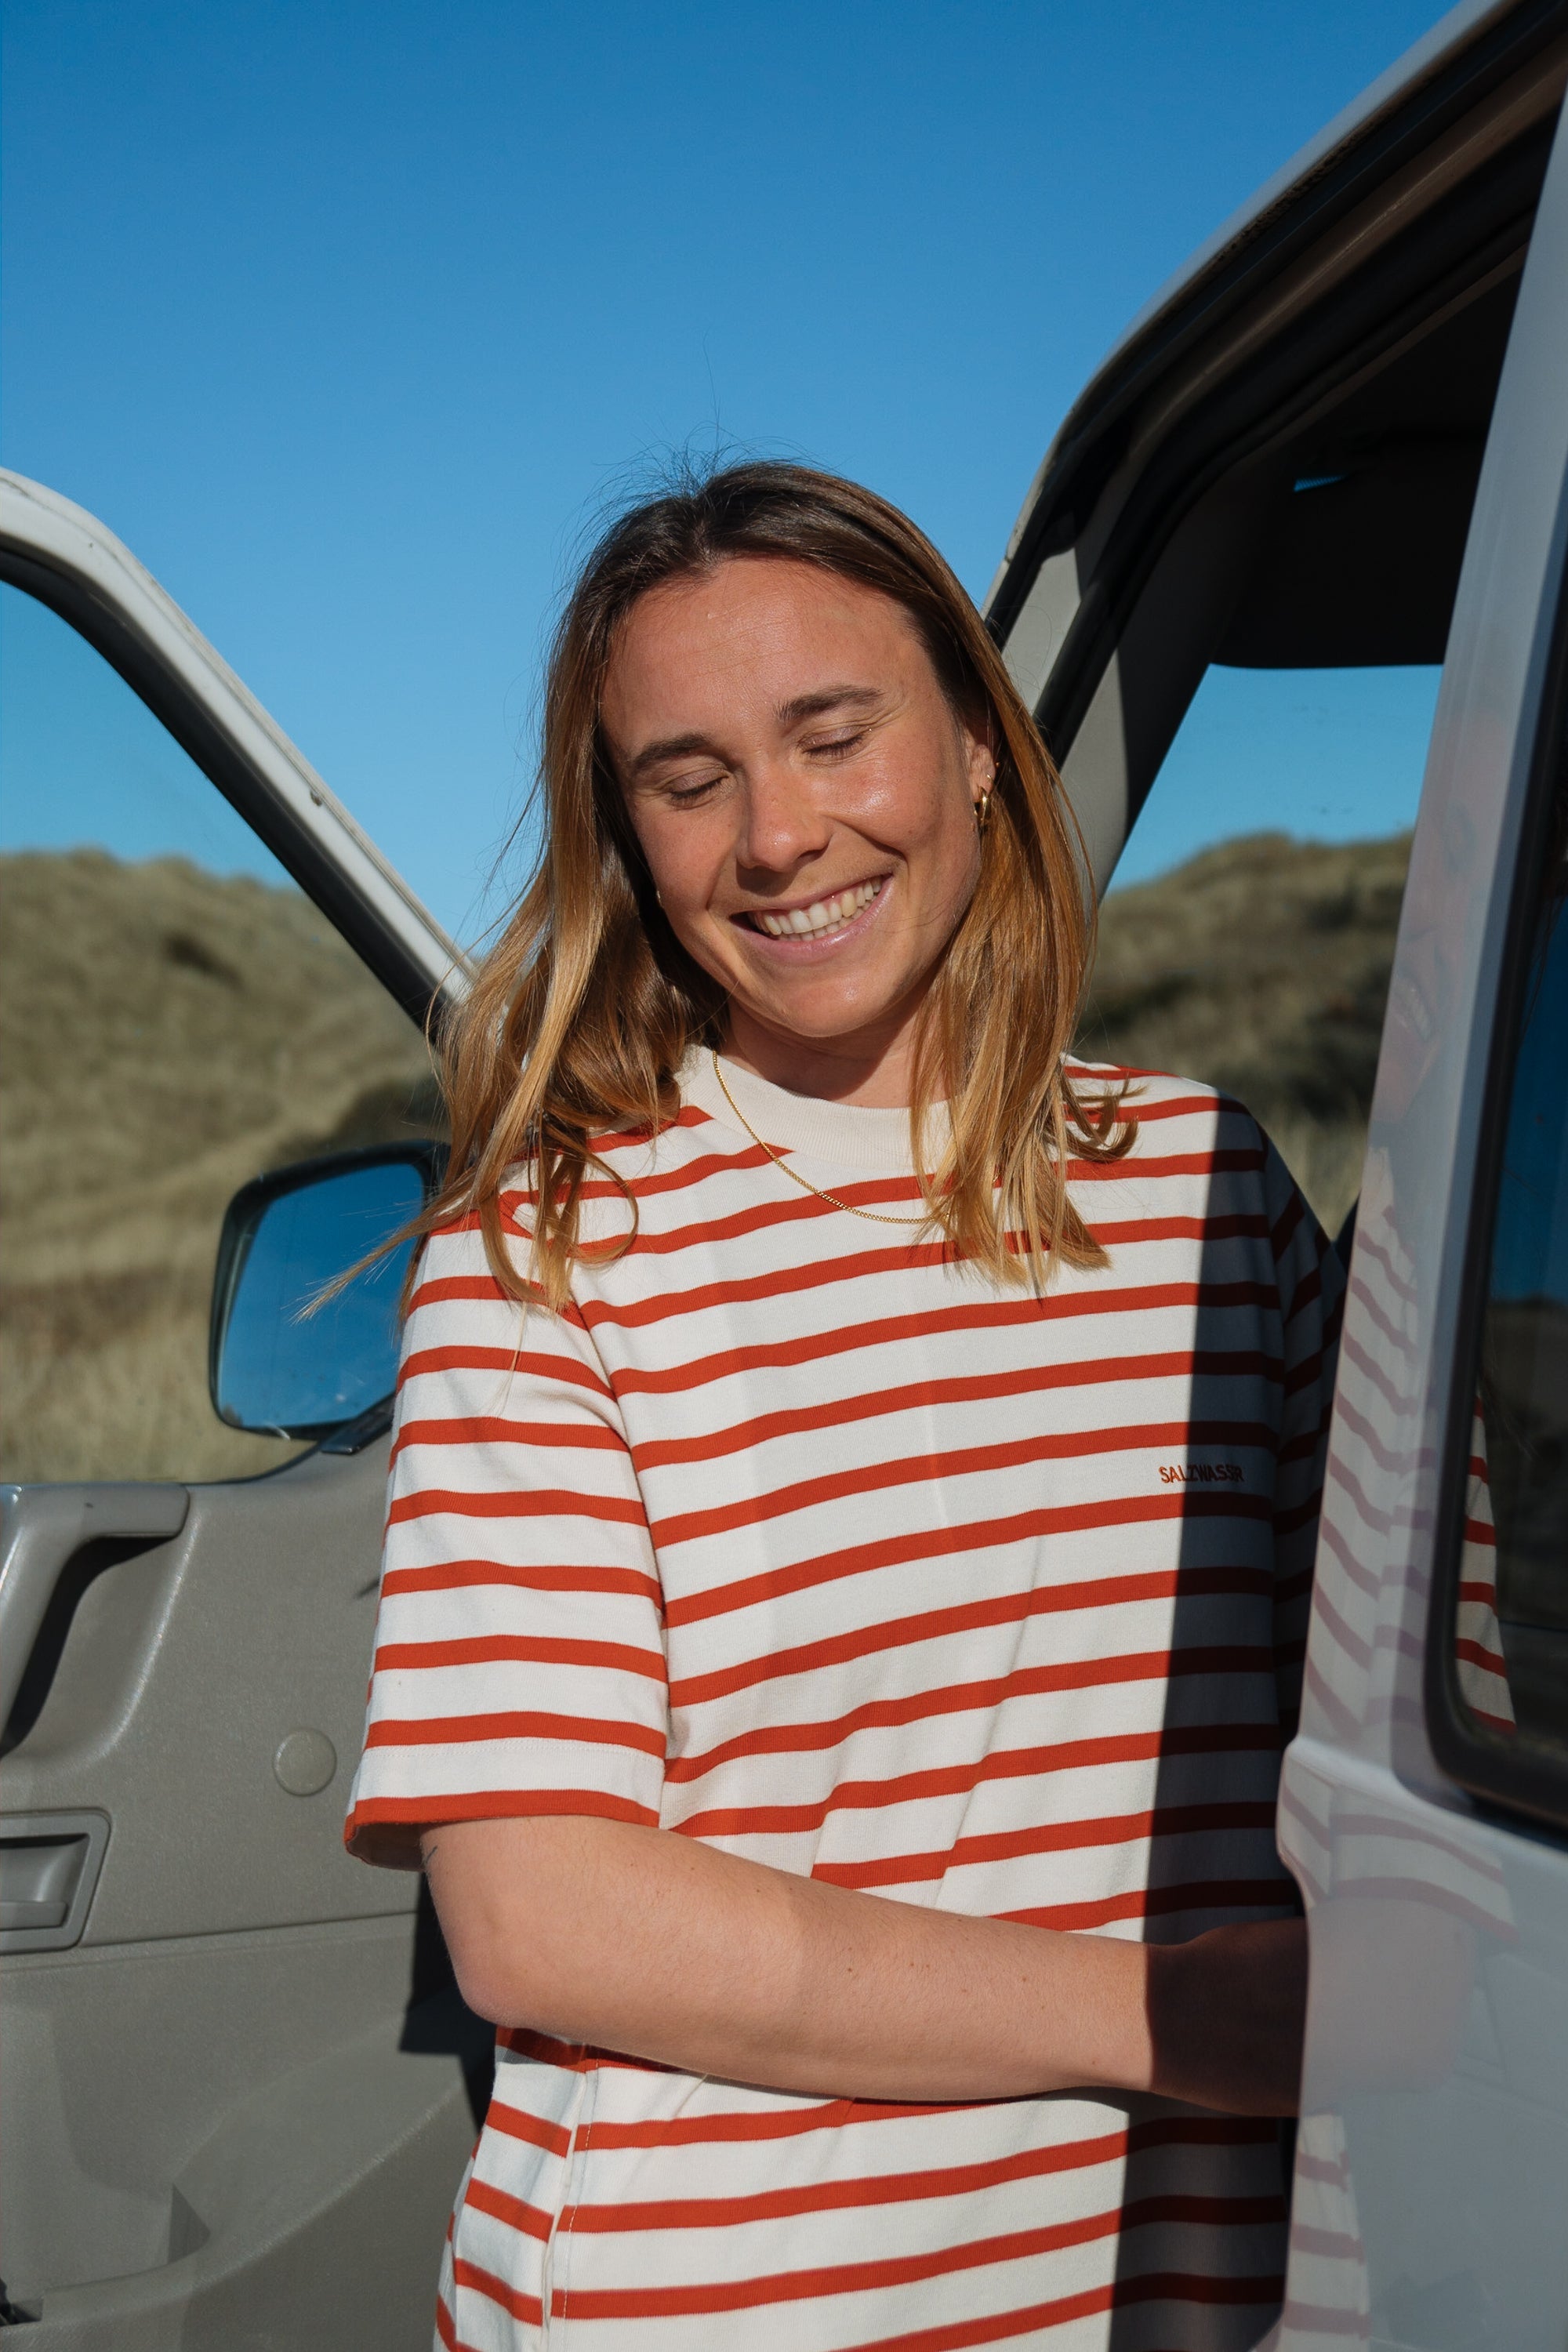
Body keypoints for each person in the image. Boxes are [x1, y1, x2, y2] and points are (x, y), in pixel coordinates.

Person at [346, 460, 1341, 2351]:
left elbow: (1421, 1745)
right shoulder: (551, 1253)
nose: (777, 837)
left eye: (831, 736)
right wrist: (1166, 2022)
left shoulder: (1213, 1189)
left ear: (976, 747)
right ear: (629, 836)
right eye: (688, 777)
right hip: (723, 2302)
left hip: (1193, 2292)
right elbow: (545, 1918)